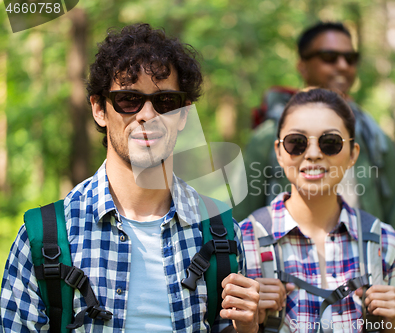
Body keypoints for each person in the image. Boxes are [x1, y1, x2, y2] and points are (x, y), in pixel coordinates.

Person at [0, 23, 260, 333]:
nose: (147, 115)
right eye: (128, 99)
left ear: (184, 116)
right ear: (99, 109)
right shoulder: (43, 237)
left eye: (165, 102)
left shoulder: (222, 232)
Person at [234, 22, 395, 262]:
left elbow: (394, 215)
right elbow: (239, 220)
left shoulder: (376, 139)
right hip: (282, 271)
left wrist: (390, 287)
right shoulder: (266, 138)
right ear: (302, 66)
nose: (342, 66)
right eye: (329, 57)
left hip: (363, 274)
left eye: (350, 58)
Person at [240, 88, 395, 332]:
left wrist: (391, 327)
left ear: (352, 155)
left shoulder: (383, 243)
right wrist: (248, 325)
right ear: (279, 153)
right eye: (297, 143)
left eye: (330, 143)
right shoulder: (244, 240)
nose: (313, 154)